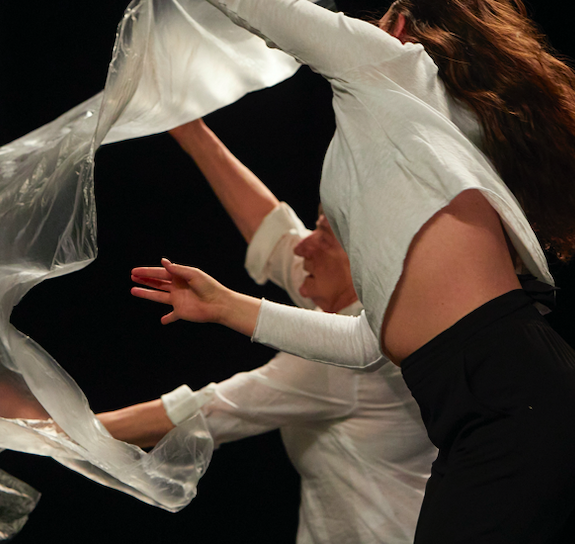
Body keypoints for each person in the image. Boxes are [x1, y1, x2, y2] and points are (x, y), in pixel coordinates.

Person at [131, 0, 575, 542]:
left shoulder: (392, 64)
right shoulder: (426, 136)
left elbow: (261, 3)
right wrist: (226, 306)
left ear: (399, 26)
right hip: (500, 406)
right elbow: (367, 343)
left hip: (514, 401)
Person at [97, 119, 436, 543]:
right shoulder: (358, 301)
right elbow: (274, 235)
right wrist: (190, 130)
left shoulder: (352, 357)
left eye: (323, 235)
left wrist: (52, 429)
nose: (302, 245)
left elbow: (200, 413)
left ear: (365, 260)